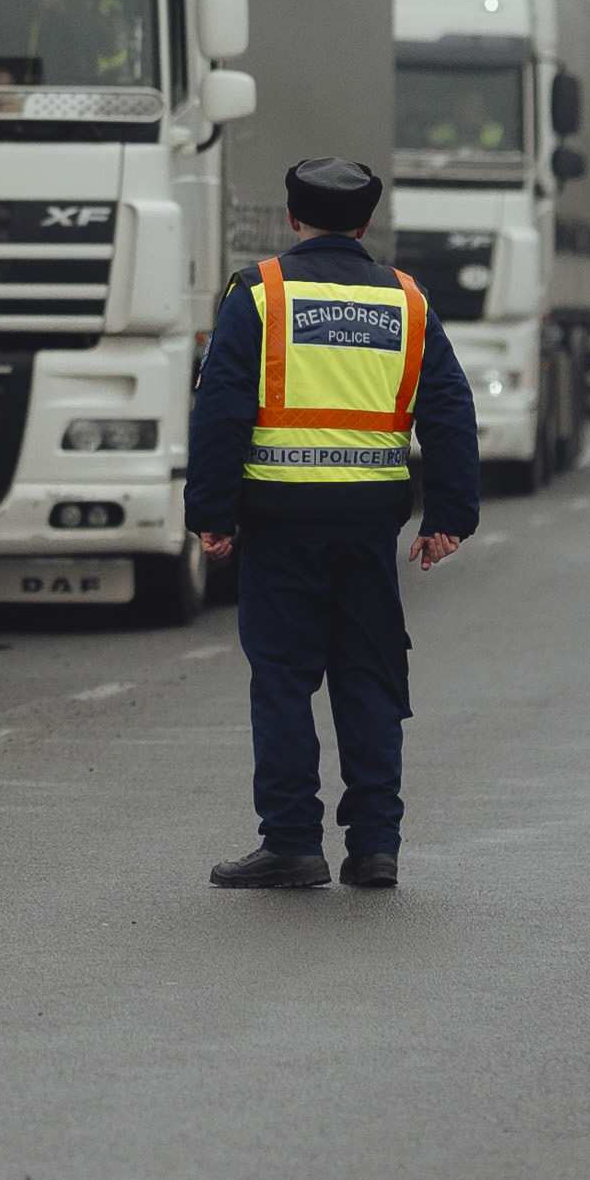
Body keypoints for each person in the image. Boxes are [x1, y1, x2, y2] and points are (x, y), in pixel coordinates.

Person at [188, 157, 479, 892]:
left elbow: (221, 409)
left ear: (292, 218)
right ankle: (375, 847)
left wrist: (211, 514)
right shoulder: (408, 301)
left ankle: (292, 844)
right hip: (367, 528)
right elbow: (448, 409)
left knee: (283, 680)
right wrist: (449, 515)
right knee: (369, 680)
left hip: (280, 524)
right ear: (366, 223)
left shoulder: (261, 295)